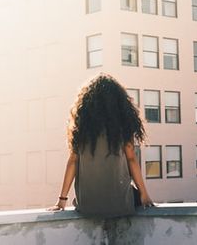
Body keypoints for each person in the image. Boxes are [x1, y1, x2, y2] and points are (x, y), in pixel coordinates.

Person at [48, 73, 153, 216]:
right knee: (133, 194)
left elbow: (73, 161)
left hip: (87, 206)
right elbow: (131, 159)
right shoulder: (122, 126)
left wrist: (62, 200)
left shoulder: (81, 127)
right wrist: (145, 196)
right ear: (119, 101)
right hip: (120, 205)